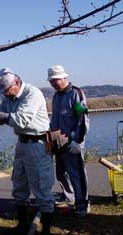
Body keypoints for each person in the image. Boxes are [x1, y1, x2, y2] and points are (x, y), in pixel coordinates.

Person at [0, 68, 54, 235]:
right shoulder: (8, 96)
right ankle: (21, 225)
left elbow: (21, 119)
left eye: (7, 90)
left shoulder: (32, 93)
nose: (5, 94)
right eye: (3, 91)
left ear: (17, 83)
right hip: (22, 144)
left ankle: (47, 232)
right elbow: (2, 117)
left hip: (38, 144)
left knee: (42, 188)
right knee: (19, 186)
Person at [47, 65, 90, 217]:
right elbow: (54, 121)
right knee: (60, 174)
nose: (53, 83)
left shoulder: (76, 93)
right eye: (51, 81)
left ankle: (82, 204)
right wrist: (50, 140)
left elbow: (83, 119)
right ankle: (70, 197)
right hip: (58, 142)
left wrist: (78, 141)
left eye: (55, 80)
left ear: (64, 78)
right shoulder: (56, 96)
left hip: (73, 143)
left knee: (77, 174)